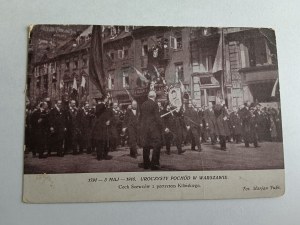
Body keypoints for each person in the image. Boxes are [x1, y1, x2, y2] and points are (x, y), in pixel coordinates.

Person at [139, 91, 163, 170]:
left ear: (148, 96)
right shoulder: (154, 104)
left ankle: (146, 164)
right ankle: (154, 164)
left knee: (146, 145)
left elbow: (140, 117)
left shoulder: (143, 104)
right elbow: (157, 118)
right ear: (154, 97)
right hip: (153, 129)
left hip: (144, 129)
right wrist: (163, 127)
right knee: (157, 144)